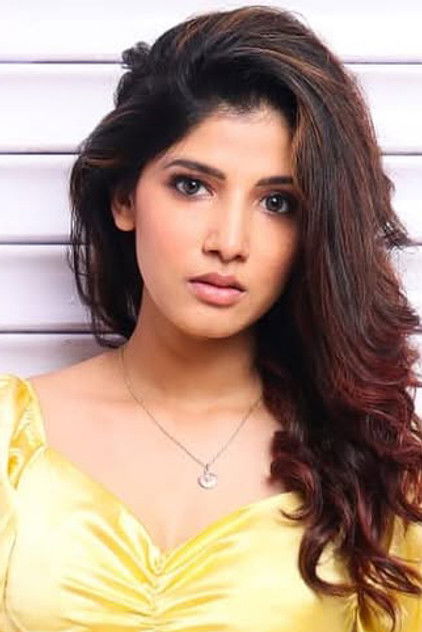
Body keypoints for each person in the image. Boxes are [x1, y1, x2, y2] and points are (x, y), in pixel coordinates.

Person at [0, 5, 421, 631]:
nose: (229, 242)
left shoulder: (374, 466)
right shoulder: (11, 438)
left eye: (277, 202)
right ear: (124, 198)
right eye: (193, 186)